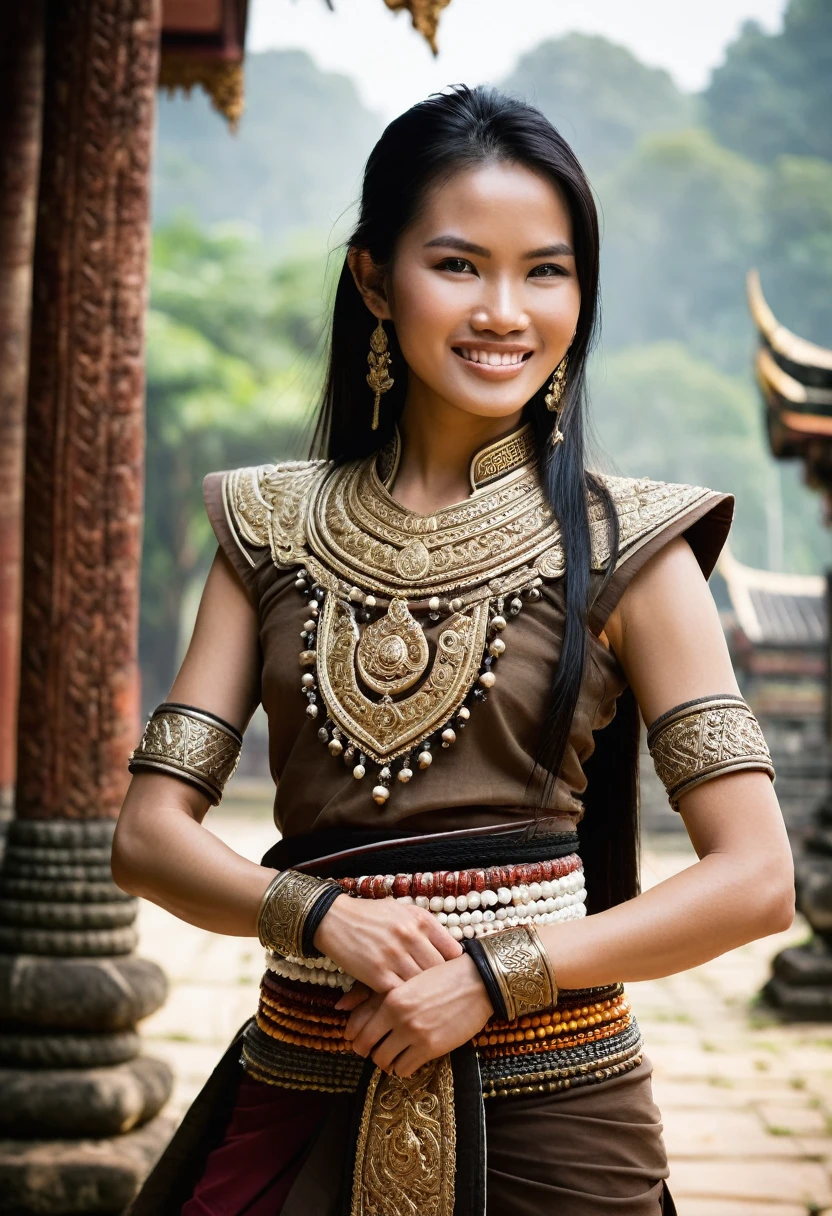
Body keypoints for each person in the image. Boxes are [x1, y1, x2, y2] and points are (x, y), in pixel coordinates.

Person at [113, 83, 794, 1216]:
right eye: (458, 264)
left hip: (555, 1106)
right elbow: (147, 837)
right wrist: (321, 915)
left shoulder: (634, 544)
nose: (504, 310)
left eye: (546, 269)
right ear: (373, 279)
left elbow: (755, 878)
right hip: (303, 1076)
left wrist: (494, 974)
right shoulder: (263, 528)